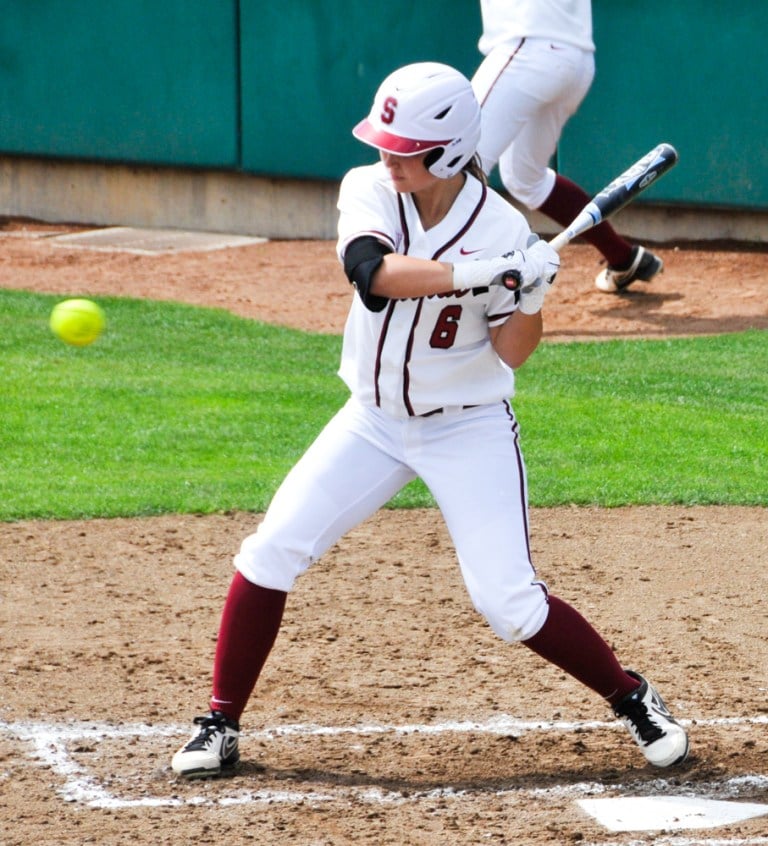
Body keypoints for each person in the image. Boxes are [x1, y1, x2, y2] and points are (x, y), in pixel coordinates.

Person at [171, 62, 688, 779]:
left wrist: (532, 294)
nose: (388, 156)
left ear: (447, 152)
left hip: (465, 427)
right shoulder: (371, 189)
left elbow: (513, 351)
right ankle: (219, 722)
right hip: (372, 422)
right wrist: (485, 273)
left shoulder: (504, 227)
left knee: (508, 603)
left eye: (403, 147)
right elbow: (372, 273)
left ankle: (632, 696)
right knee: (271, 550)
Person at [471, 0, 664, 292]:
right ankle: (624, 258)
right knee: (526, 179)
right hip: (575, 57)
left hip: (527, 48)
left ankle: (440, 278)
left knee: (460, 164)